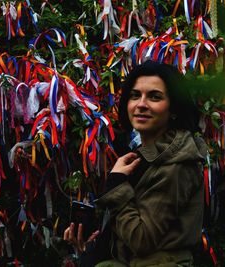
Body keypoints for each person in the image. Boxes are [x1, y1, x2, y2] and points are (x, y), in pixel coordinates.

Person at [64, 60, 207, 267]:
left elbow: (141, 240)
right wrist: (92, 243)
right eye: (135, 95)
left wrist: (116, 185)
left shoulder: (176, 164)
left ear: (174, 109)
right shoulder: (148, 155)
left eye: (155, 97)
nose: (141, 104)